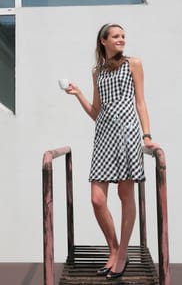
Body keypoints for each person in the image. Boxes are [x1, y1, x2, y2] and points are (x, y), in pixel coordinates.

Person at [65, 23, 156, 279]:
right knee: (97, 199)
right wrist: (78, 94)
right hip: (104, 137)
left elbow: (140, 101)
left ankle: (123, 252)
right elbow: (96, 113)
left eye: (124, 36)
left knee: (125, 194)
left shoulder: (133, 64)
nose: (122, 40)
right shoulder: (98, 72)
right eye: (116, 36)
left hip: (127, 134)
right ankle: (113, 248)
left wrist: (147, 136)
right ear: (103, 41)